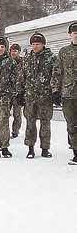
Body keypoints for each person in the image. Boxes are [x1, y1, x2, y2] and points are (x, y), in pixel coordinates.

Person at [17, 32, 54, 158]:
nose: (35, 46)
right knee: (30, 123)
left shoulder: (51, 58)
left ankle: (45, 148)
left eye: (38, 44)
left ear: (43, 44)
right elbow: (21, 77)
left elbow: (55, 76)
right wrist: (20, 93)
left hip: (45, 97)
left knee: (45, 123)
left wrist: (55, 92)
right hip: (30, 97)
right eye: (33, 44)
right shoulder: (27, 59)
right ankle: (30, 148)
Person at [51, 21, 77, 165]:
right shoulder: (64, 52)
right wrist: (55, 91)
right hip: (68, 94)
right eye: (75, 33)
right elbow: (57, 72)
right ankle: (76, 152)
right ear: (70, 35)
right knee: (72, 124)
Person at [9, 43, 23, 138]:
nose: (13, 53)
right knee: (5, 113)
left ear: (19, 52)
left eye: (15, 51)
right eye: (12, 51)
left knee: (17, 114)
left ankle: (15, 131)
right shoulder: (7, 62)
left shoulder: (22, 63)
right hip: (7, 92)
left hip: (18, 92)